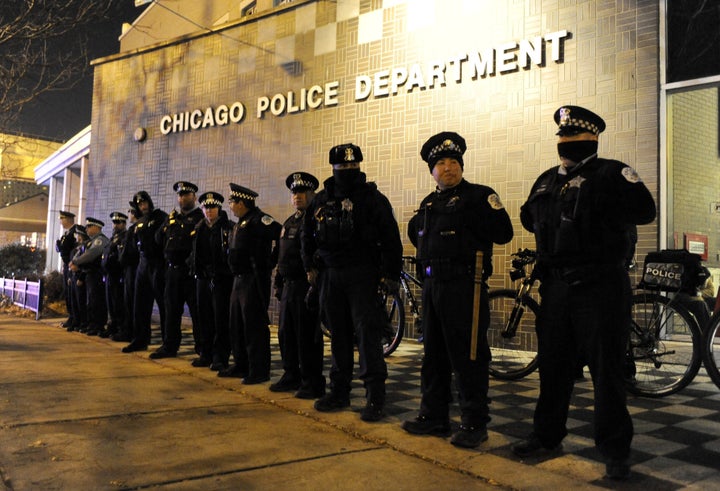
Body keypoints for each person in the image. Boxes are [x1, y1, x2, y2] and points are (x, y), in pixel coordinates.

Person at [514, 106, 656, 480]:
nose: (567, 144)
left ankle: (615, 450)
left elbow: (645, 210)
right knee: (553, 368)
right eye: (562, 137)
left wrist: (602, 200)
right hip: (557, 288)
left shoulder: (611, 173)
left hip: (600, 289)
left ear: (592, 139)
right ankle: (546, 435)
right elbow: (530, 218)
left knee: (606, 373)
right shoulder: (546, 180)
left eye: (575, 138)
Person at [401, 132, 514, 448]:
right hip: (433, 286)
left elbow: (503, 232)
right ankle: (434, 416)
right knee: (433, 354)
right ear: (432, 170)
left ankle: (474, 422)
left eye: (453, 161)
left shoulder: (479, 196)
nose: (448, 167)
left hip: (465, 287)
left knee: (469, 356)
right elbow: (418, 237)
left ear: (461, 165)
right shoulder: (428, 203)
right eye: (440, 163)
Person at [301, 143, 403, 422]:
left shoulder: (372, 199)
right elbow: (306, 236)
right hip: (331, 276)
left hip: (362, 275)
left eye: (352, 167)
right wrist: (309, 266)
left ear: (358, 166)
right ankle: (339, 391)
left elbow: (391, 238)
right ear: (333, 168)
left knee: (368, 336)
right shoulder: (321, 200)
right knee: (338, 336)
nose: (347, 171)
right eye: (342, 167)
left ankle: (375, 398)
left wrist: (391, 276)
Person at [270, 172, 326, 399]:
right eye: (294, 192)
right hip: (289, 287)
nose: (298, 197)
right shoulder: (289, 222)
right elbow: (281, 255)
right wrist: (278, 281)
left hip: (307, 286)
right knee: (287, 334)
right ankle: (291, 374)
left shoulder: (317, 220)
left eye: (302, 192)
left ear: (312, 194)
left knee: (307, 337)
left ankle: (312, 381)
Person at [222, 183, 281, 384]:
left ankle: (258, 370)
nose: (230, 205)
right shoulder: (242, 222)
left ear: (242, 202)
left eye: (232, 201)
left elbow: (280, 233)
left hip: (253, 280)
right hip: (238, 280)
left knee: (254, 326)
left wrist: (270, 262)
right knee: (237, 325)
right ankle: (241, 365)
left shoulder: (259, 220)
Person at [151, 181, 204, 360]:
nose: (182, 198)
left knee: (198, 313)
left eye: (186, 195)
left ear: (194, 197)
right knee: (171, 311)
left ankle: (202, 348)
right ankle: (169, 346)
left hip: (191, 273)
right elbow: (158, 239)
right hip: (172, 273)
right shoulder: (173, 217)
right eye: (180, 195)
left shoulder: (199, 218)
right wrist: (167, 224)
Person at [191, 191, 235, 370]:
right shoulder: (199, 227)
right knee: (204, 317)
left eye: (213, 207)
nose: (209, 211)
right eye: (206, 207)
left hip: (221, 279)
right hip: (203, 278)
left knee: (220, 319)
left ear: (219, 208)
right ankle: (205, 353)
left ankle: (220, 357)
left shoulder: (229, 227)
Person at [122, 191, 168, 353]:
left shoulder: (161, 217)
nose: (144, 206)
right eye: (140, 204)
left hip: (158, 264)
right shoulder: (139, 223)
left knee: (164, 305)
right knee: (140, 305)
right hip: (143, 265)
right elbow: (133, 247)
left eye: (145, 203)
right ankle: (140, 340)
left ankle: (167, 343)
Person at [70, 217, 110, 336]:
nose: (86, 229)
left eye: (89, 226)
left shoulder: (100, 240)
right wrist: (75, 261)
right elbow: (81, 253)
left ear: (97, 228)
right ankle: (92, 324)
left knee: (96, 301)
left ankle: (98, 325)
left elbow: (91, 255)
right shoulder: (91, 241)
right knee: (90, 301)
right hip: (89, 274)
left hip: (96, 274)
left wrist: (76, 262)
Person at [113, 206, 141, 343]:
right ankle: (127, 330)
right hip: (128, 270)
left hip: (134, 269)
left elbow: (131, 251)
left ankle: (131, 332)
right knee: (127, 303)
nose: (129, 214)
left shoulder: (136, 229)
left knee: (132, 304)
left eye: (130, 211)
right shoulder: (132, 229)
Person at [101, 212, 128, 339]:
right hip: (110, 275)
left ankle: (121, 328)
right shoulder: (113, 238)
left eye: (118, 223)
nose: (115, 225)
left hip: (118, 275)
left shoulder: (125, 237)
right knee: (110, 303)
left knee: (118, 303)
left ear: (123, 224)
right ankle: (112, 327)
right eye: (114, 223)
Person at [56, 210, 78, 329]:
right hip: (67, 265)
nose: (60, 221)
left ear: (67, 220)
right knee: (68, 293)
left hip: (71, 266)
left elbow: (74, 251)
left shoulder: (75, 232)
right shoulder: (67, 233)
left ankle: (75, 318)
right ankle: (71, 316)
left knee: (72, 293)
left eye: (62, 219)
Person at [68, 225, 89, 332]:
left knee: (81, 302)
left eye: (79, 235)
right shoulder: (77, 247)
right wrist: (70, 276)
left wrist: (80, 276)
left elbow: (85, 263)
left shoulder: (86, 246)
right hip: (74, 276)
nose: (78, 237)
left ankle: (83, 322)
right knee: (74, 301)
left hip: (80, 276)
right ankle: (76, 321)